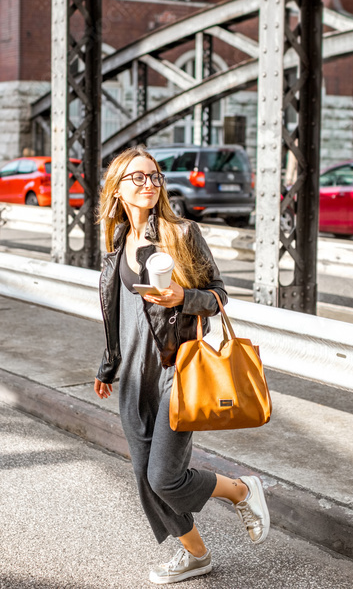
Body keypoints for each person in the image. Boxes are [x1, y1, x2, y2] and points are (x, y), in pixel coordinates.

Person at [94, 146, 270, 584]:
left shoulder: (180, 233)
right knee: (145, 481)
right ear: (117, 188)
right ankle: (195, 555)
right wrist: (108, 366)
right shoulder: (116, 245)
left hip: (178, 370)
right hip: (134, 379)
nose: (149, 184)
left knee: (165, 477)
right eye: (138, 178)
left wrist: (182, 298)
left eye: (154, 177)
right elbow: (116, 315)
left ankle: (240, 490)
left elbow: (219, 295)